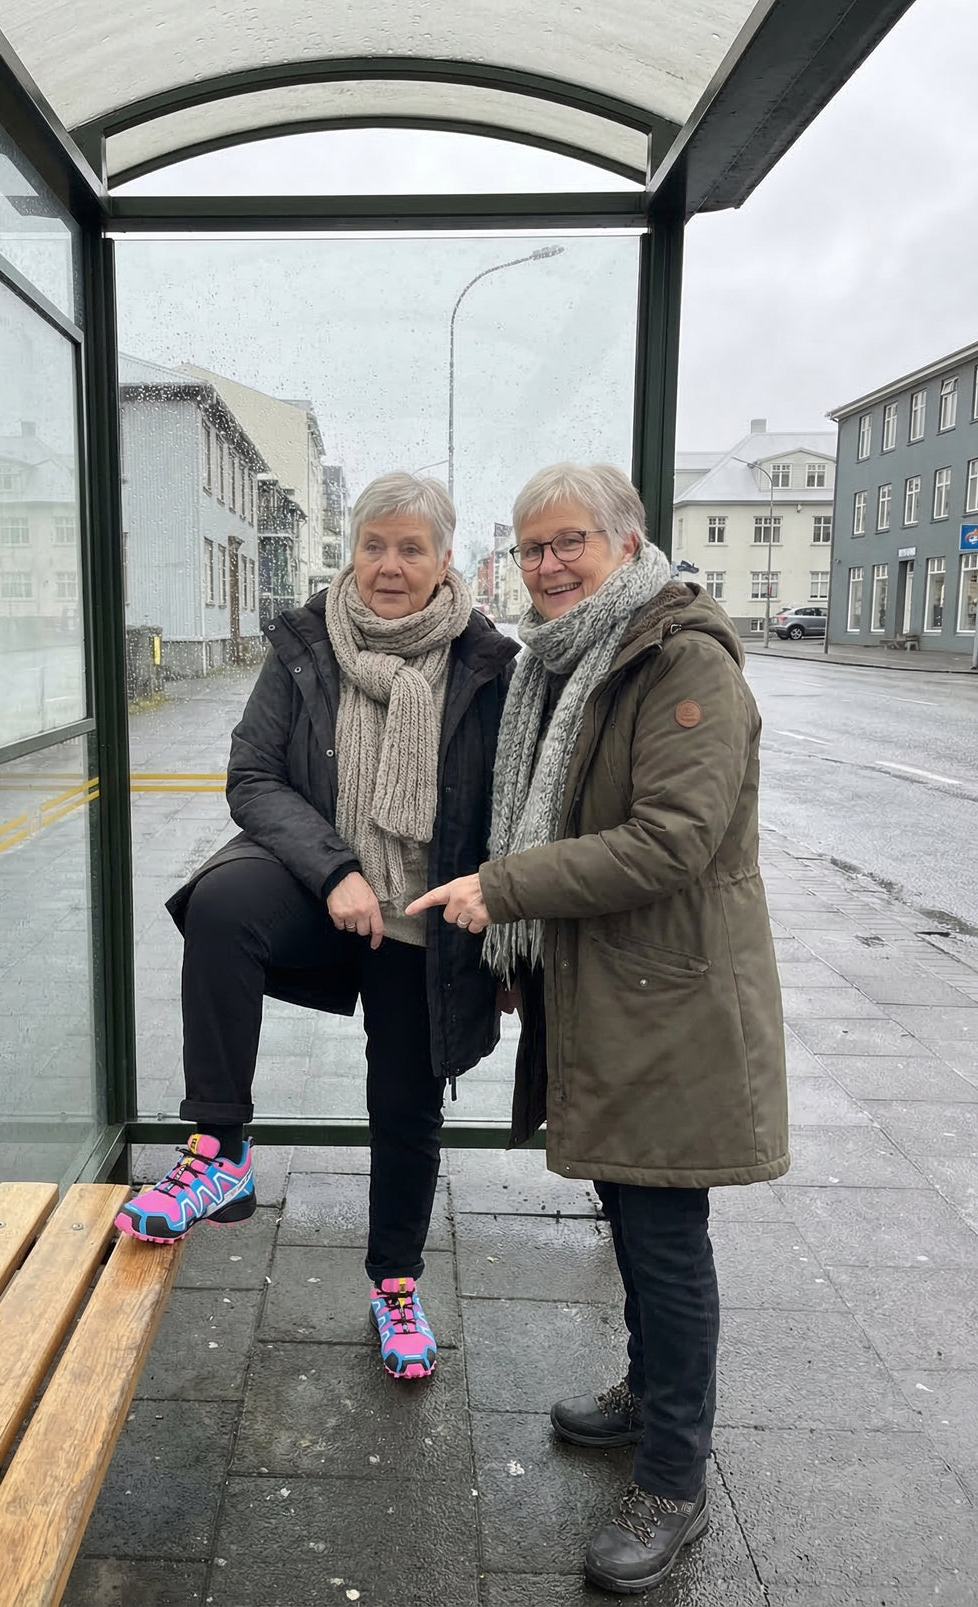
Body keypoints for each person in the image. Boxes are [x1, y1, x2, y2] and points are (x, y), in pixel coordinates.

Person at [408, 463, 787, 1591]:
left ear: (627, 542)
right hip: (611, 987)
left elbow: (672, 839)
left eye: (569, 540)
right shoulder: (572, 660)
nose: (548, 564)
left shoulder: (683, 661)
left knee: (665, 1232)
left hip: (673, 994)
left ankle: (674, 1476)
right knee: (628, 1204)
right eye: (532, 548)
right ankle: (648, 1390)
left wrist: (506, 889)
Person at [116, 471, 518, 1381]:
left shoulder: (488, 662)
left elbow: (510, 802)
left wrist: (499, 927)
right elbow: (253, 774)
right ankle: (219, 1148)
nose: (389, 565)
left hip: (425, 911)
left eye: (411, 548)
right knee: (221, 902)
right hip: (322, 885)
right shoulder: (307, 642)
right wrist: (335, 868)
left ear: (444, 560)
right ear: (351, 551)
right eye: (374, 545)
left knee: (405, 1105)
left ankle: (396, 1285)